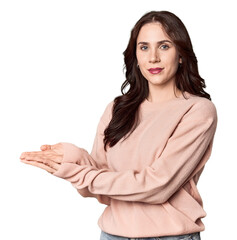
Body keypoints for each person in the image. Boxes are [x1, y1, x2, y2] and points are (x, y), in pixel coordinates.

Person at [20, 10, 218, 240]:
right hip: (112, 234)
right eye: (144, 47)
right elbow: (100, 188)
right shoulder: (117, 108)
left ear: (181, 54)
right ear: (135, 55)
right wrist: (72, 157)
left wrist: (78, 173)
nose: (153, 57)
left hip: (169, 236)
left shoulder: (197, 110)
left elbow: (157, 186)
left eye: (164, 46)